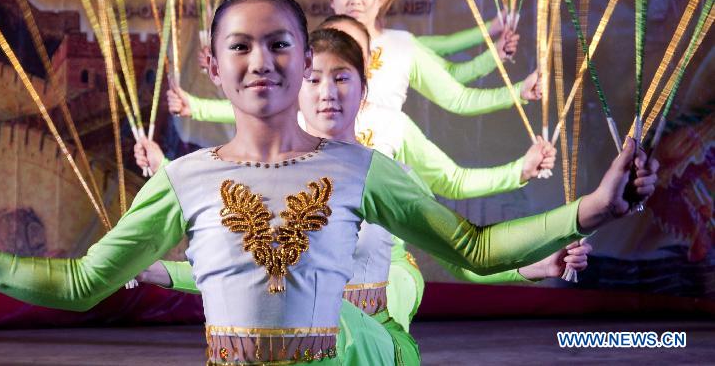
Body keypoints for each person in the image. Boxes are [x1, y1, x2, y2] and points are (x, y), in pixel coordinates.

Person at [0, 0, 656, 366]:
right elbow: (81, 283)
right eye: (241, 46)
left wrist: (590, 205)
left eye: (279, 44)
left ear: (305, 59)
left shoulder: (362, 168)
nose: (261, 60)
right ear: (215, 68)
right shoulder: (185, 178)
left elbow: (476, 250)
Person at [135, 27, 591, 363]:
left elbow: (465, 252)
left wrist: (533, 264)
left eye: (343, 77)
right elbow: (243, 274)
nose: (327, 92)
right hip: (301, 339)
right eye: (313, 79)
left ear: (364, 88)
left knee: (312, 317)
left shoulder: (389, 173)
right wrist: (156, 270)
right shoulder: (274, 179)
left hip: (377, 343)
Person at [329, 0, 539, 114]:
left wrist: (515, 86)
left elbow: (455, 90)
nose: (355, 0)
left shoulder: (401, 45)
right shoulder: (312, 52)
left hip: (379, 161)